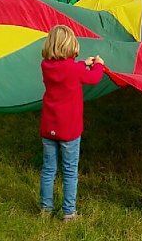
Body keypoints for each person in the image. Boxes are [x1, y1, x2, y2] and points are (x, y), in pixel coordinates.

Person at [40, 25, 104, 220]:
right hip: (69, 130)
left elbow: (68, 69)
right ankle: (69, 212)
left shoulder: (46, 65)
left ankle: (46, 209)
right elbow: (93, 78)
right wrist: (98, 64)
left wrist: (83, 63)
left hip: (49, 127)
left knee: (48, 170)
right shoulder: (74, 69)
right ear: (71, 46)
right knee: (69, 171)